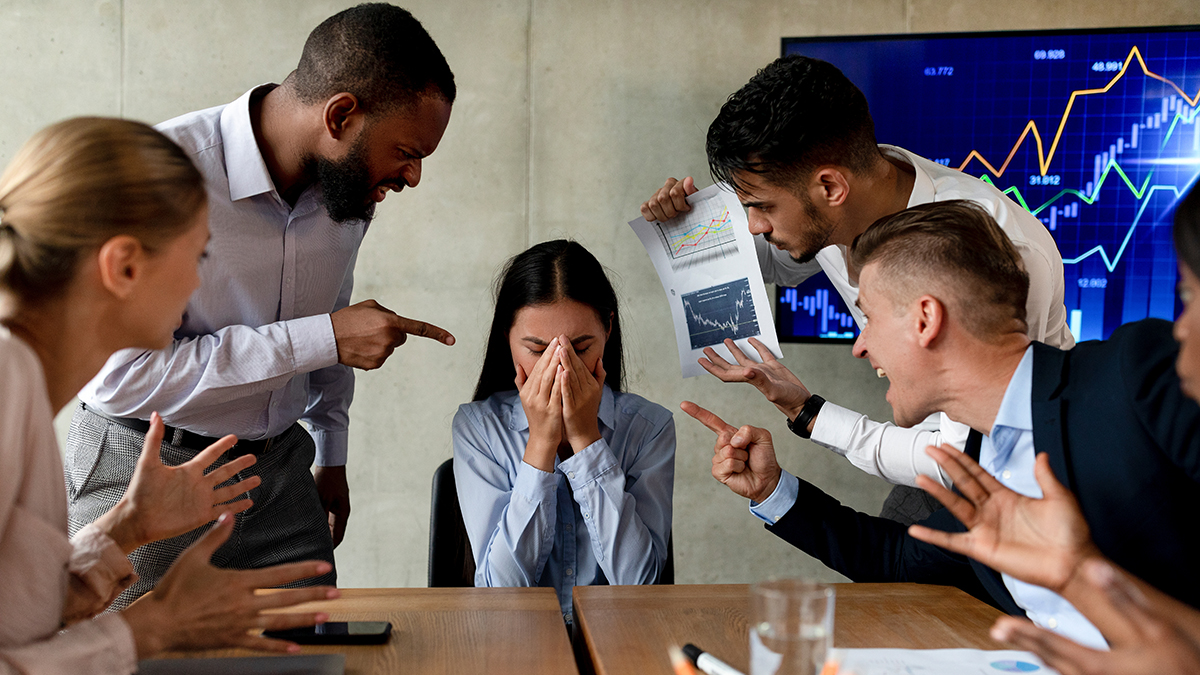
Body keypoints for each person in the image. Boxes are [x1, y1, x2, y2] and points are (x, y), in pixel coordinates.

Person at [66, 3, 457, 608]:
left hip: (281, 477)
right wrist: (323, 338)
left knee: (313, 651)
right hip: (143, 474)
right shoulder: (158, 176)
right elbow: (120, 377)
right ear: (341, 116)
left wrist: (332, 453)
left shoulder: (348, 189)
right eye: (407, 151)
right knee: (126, 652)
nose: (412, 176)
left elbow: (333, 312)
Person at [683, 200, 1200, 648]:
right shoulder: (976, 455)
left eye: (869, 318)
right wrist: (772, 490)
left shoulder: (1136, 373)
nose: (860, 346)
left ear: (925, 320)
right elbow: (900, 560)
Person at [641, 55, 1074, 523]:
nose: (754, 226)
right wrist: (693, 230)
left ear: (831, 187)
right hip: (934, 444)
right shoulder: (846, 198)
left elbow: (963, 456)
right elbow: (783, 264)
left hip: (1024, 468)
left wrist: (809, 413)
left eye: (763, 206)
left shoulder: (997, 249)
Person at [0, 117, 338, 673]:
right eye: (199, 256)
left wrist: (127, 526)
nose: (197, 285)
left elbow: (15, 610)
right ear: (124, 266)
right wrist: (154, 628)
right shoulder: (7, 381)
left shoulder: (22, 382)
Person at [902, 184, 1200, 674]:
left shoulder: (1133, 373)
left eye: (1189, 293)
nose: (1181, 327)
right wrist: (1075, 572)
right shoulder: (980, 449)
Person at [453, 240, 675, 624]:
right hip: (517, 640)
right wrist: (540, 443)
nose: (561, 370)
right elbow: (501, 589)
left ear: (608, 329)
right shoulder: (480, 427)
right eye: (538, 351)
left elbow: (639, 585)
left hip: (618, 640)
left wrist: (587, 441)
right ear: (507, 336)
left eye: (580, 348)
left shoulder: (648, 428)